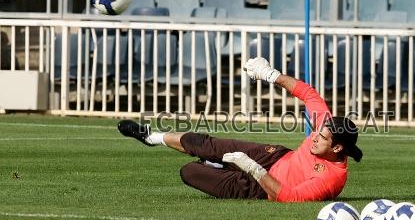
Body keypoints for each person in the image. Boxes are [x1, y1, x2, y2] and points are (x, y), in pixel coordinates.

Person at [118, 57, 362, 202]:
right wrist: (271, 74)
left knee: (190, 172)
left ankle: (216, 164)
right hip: (274, 155)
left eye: (321, 137)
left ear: (338, 147)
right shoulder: (326, 124)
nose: (314, 136)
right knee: (205, 143)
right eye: (317, 131)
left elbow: (290, 197)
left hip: (262, 188)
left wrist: (253, 170)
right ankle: (152, 137)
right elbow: (308, 94)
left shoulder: (332, 178)